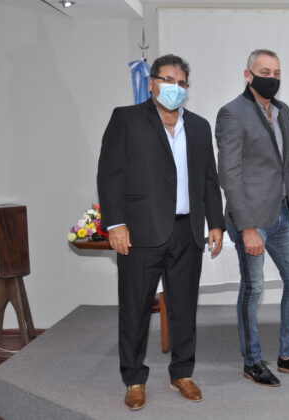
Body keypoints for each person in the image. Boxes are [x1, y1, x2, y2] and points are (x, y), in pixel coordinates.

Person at [97, 54, 225, 410]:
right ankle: (134, 378)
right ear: (152, 83)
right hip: (139, 233)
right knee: (135, 308)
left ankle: (182, 373)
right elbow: (110, 174)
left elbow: (209, 180)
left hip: (188, 232)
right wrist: (115, 223)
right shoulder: (126, 119)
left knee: (183, 307)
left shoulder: (198, 126)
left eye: (181, 83)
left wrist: (215, 222)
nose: (174, 87)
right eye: (168, 80)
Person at [215, 49, 289, 387]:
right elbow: (229, 174)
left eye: (276, 73)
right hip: (251, 218)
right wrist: (246, 227)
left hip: (282, 214)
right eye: (264, 72)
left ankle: (288, 356)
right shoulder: (232, 113)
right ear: (248, 75)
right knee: (254, 288)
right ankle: (252, 361)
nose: (271, 78)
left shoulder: (283, 111)